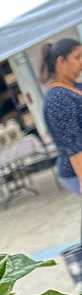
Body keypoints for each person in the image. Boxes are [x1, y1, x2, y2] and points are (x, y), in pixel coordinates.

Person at [41, 38, 82, 195]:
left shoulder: (75, 87)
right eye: (77, 57)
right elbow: (73, 144)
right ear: (61, 62)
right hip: (76, 168)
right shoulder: (58, 98)